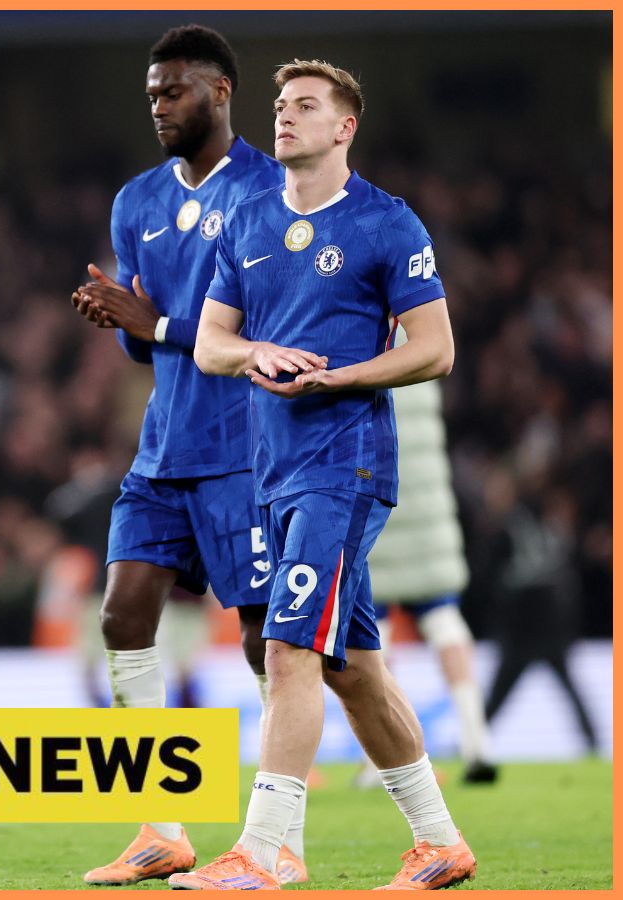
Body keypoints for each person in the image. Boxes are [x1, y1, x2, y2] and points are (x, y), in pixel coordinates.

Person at [177, 60, 475, 890]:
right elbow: (209, 344)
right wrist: (255, 353)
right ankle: (438, 841)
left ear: (344, 128)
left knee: (286, 648)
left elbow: (434, 349)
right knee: (352, 668)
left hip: (344, 465)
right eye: (279, 105)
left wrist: (337, 378)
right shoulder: (248, 218)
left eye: (304, 106)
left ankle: (264, 849)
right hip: (272, 470)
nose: (283, 116)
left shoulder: (385, 222)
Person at [66, 26, 301, 886]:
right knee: (122, 616)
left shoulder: (271, 190)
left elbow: (267, 328)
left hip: (246, 449)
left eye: (173, 91)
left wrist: (152, 322)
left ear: (220, 91)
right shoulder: (135, 202)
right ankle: (159, 828)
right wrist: (119, 317)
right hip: (163, 447)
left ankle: (275, 835)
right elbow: (144, 346)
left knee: (262, 642)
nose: (159, 107)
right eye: (151, 95)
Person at [363, 370, 498, 785]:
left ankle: (378, 762)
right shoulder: (425, 346)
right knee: (444, 620)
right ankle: (477, 741)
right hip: (429, 513)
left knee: (374, 633)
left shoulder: (362, 344)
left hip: (377, 501)